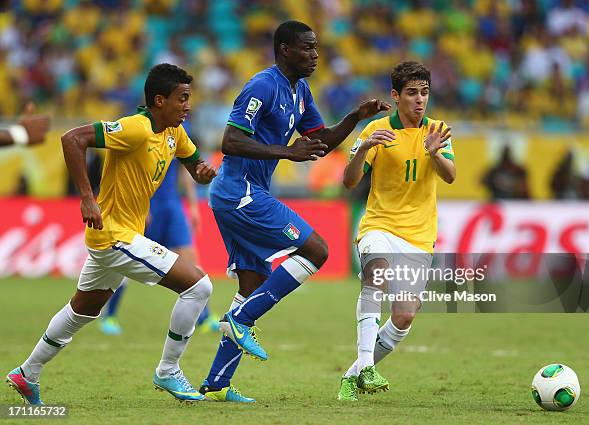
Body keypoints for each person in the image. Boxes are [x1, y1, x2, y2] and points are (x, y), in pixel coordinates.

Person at [198, 20, 390, 403]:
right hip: (240, 193)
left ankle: (216, 384)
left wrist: (355, 117)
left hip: (245, 193)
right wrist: (288, 151)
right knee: (316, 250)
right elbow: (230, 140)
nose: (315, 54)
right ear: (285, 49)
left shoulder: (299, 90)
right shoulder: (262, 86)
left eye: (316, 47)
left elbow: (319, 141)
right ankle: (240, 321)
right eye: (307, 47)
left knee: (252, 284)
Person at [6, 63, 217, 404]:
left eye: (189, 98)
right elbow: (72, 138)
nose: (188, 106)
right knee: (198, 286)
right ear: (159, 100)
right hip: (114, 235)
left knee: (82, 311)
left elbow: (196, 168)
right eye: (182, 98)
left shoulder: (174, 133)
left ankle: (26, 373)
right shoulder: (135, 128)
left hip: (120, 235)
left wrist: (203, 174)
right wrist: (87, 198)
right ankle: (168, 370)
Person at [337, 61, 456, 401]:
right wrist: (363, 148)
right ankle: (367, 364)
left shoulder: (437, 130)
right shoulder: (376, 130)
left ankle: (353, 374)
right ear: (395, 95)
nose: (420, 101)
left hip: (418, 234)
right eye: (412, 93)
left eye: (424, 93)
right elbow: (349, 181)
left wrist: (436, 154)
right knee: (375, 276)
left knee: (404, 315)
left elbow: (450, 175)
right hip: (380, 224)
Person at [99, 137, 219, 336]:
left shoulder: (180, 132)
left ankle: (204, 317)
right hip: (148, 207)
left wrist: (193, 207)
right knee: (125, 261)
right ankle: (109, 315)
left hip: (172, 207)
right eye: (180, 102)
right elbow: (132, 171)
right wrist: (140, 205)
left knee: (190, 260)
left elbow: (185, 169)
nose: (184, 107)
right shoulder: (143, 133)